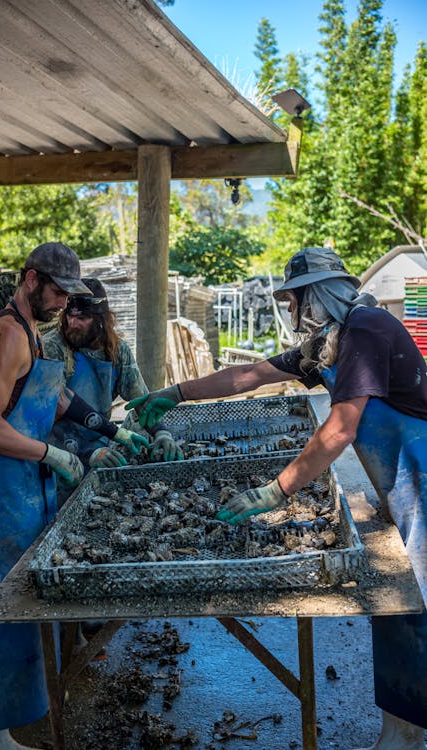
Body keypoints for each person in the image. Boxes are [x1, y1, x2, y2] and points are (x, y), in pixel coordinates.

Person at [129, 247, 427, 750]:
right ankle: (404, 730)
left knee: (416, 607)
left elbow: (340, 427)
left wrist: (276, 489)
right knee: (400, 607)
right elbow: (250, 375)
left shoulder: (367, 328)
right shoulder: (329, 343)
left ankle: (408, 733)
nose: (292, 312)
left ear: (318, 292)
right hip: (395, 484)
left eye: (295, 300)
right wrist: (177, 393)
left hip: (419, 479)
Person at [0, 242, 148, 750]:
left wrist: (108, 430)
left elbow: (56, 396)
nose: (65, 303)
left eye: (71, 294)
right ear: (30, 279)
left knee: (27, 604)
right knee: (0, 606)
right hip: (7, 489)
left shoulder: (33, 333)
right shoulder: (5, 334)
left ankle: (0, 727)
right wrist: (50, 453)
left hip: (32, 485)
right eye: (59, 291)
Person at [43, 276, 182, 500]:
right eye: (69, 315)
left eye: (83, 317)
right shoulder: (52, 348)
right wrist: (87, 452)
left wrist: (162, 432)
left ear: (101, 319)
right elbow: (45, 416)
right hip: (59, 452)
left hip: (102, 447)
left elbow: (142, 401)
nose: (72, 324)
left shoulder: (118, 351)